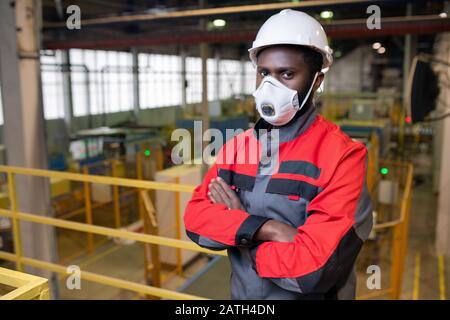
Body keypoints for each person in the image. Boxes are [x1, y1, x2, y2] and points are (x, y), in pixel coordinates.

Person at [184, 9, 373, 300]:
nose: (271, 87)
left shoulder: (344, 156)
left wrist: (237, 227)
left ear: (316, 81)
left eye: (287, 74)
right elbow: (197, 222)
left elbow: (313, 272)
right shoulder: (237, 147)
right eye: (264, 73)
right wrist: (266, 228)